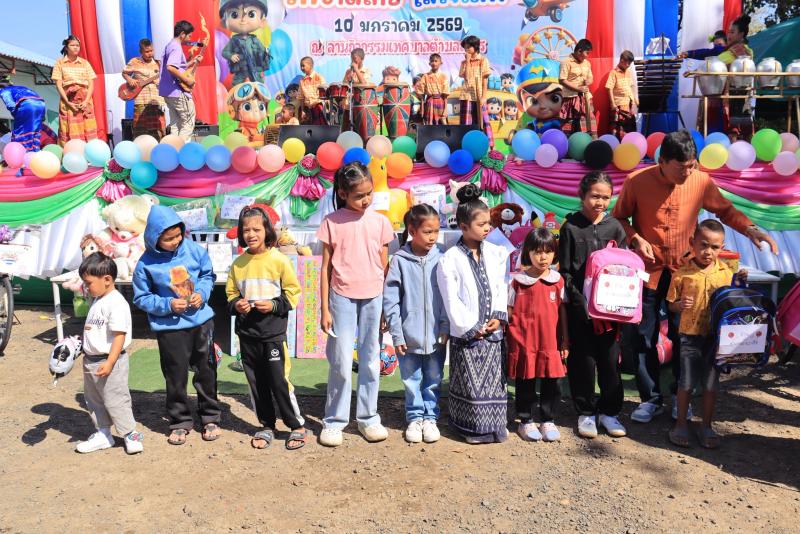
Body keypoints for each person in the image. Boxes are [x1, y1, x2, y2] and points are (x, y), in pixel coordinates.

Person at [612, 130, 777, 424]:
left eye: (691, 165)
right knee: (643, 336)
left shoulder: (700, 181)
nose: (688, 172)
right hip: (648, 272)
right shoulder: (636, 181)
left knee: (684, 337)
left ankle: (682, 398)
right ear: (662, 161)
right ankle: (650, 399)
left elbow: (725, 210)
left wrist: (751, 230)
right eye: (681, 167)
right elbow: (619, 217)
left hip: (686, 274)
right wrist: (635, 238)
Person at [317, 162, 395, 447]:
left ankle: (368, 417)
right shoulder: (331, 222)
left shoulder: (381, 222)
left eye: (369, 193)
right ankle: (334, 421)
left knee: (371, 359)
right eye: (359, 195)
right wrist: (325, 308)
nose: (366, 200)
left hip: (374, 297)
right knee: (340, 360)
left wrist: (387, 306)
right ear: (342, 194)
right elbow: (325, 269)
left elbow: (385, 267)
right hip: (341, 297)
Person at [132, 205, 221, 445]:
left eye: (178, 235)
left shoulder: (194, 250)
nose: (175, 241)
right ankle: (180, 421)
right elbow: (141, 297)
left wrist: (202, 293)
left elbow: (207, 275)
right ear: (154, 238)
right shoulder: (145, 264)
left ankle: (210, 416)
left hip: (201, 322)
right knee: (175, 375)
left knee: (206, 370)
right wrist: (168, 304)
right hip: (170, 328)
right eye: (168, 238)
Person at [226, 206, 309, 450]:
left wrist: (273, 305)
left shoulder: (279, 260)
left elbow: (293, 293)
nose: (251, 234)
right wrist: (237, 304)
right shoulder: (238, 264)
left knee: (279, 381)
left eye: (256, 229)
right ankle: (266, 425)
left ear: (267, 231)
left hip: (273, 334)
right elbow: (230, 294)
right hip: (247, 335)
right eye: (246, 230)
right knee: (256, 383)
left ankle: (296, 426)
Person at [437, 184, 509, 444]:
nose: (487, 228)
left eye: (488, 223)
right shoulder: (450, 258)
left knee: (494, 380)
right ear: (463, 226)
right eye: (481, 224)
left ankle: (496, 426)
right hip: (468, 334)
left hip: (492, 331)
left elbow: (501, 286)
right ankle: (470, 429)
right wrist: (470, 327)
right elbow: (450, 298)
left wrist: (498, 316)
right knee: (469, 381)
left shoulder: (496, 253)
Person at [559, 172, 628, 439]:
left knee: (610, 362)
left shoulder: (616, 228)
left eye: (606, 197)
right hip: (581, 311)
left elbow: (624, 268)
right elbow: (565, 270)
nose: (600, 202)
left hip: (610, 312)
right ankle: (586, 412)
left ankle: (610, 412)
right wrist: (579, 300)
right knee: (583, 362)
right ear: (583, 195)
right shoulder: (570, 227)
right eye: (595, 196)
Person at [666, 219, 746, 449]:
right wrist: (679, 305)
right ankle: (681, 424)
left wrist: (740, 284)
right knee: (686, 383)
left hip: (716, 338)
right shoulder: (682, 273)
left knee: (711, 384)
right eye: (703, 245)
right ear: (692, 243)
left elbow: (735, 300)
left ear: (722, 248)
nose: (708, 251)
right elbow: (671, 304)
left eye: (714, 247)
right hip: (689, 337)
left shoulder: (726, 273)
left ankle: (707, 426)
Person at [383, 205, 449, 444]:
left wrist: (445, 326)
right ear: (412, 231)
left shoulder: (442, 257)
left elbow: (448, 296)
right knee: (411, 380)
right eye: (427, 232)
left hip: (436, 334)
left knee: (433, 377)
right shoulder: (399, 260)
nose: (433, 237)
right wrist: (397, 334)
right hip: (407, 335)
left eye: (436, 231)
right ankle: (414, 417)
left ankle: (430, 417)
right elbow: (390, 299)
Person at [75, 252, 143, 455]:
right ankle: (103, 433)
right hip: (91, 361)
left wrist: (111, 362)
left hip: (110, 361)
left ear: (106, 279)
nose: (86, 287)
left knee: (116, 399)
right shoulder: (98, 299)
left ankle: (131, 434)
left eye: (88, 283)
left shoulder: (116, 303)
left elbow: (119, 335)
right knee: (94, 400)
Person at [506, 227, 568, 442]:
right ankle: (525, 420)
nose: (543, 257)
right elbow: (509, 310)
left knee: (552, 380)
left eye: (548, 252)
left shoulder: (558, 281)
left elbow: (563, 311)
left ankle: (548, 419)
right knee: (526, 380)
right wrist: (512, 337)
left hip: (551, 341)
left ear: (554, 253)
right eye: (538, 252)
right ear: (528, 253)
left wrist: (565, 340)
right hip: (525, 341)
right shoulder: (517, 282)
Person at [159, 20, 202, 141]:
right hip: (177, 91)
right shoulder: (176, 47)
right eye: (189, 36)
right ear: (182, 34)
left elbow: (177, 66)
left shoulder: (170, 45)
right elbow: (171, 67)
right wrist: (187, 81)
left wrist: (192, 62)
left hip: (168, 91)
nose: (189, 39)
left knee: (175, 124)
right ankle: (182, 149)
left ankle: (174, 149)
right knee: (188, 121)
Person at [52, 35, 97, 145]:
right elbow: (58, 85)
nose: (76, 47)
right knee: (68, 128)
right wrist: (68, 102)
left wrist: (86, 101)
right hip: (68, 101)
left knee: (87, 127)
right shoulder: (59, 63)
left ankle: (89, 152)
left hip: (85, 101)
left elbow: (91, 83)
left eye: (77, 45)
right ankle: (70, 151)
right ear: (66, 47)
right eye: (73, 45)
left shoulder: (85, 63)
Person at [0, 74, 57, 151]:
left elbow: (10, 105)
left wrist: (17, 117)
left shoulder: (4, 91)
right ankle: (35, 151)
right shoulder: (21, 87)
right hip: (40, 104)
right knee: (35, 132)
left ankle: (25, 152)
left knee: (21, 131)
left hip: (27, 105)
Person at [220, 0, 270, 86]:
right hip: (240, 70)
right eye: (234, 15)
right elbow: (224, 52)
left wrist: (265, 53)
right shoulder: (234, 41)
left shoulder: (255, 40)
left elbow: (262, 51)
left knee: (258, 85)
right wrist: (231, 56)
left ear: (262, 22)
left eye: (251, 14)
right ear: (224, 22)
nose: (243, 20)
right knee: (237, 86)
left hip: (255, 69)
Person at [122, 38, 165, 139]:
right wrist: (130, 79)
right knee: (140, 130)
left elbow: (165, 79)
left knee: (158, 130)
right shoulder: (134, 61)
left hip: (156, 100)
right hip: (141, 100)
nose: (150, 54)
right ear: (141, 51)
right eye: (147, 51)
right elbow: (124, 73)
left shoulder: (159, 63)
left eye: (151, 51)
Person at [559, 39, 595, 136]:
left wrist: (589, 81)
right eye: (587, 53)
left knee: (588, 124)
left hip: (585, 98)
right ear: (579, 51)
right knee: (569, 125)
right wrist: (577, 89)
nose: (587, 56)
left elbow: (591, 77)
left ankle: (588, 143)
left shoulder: (587, 63)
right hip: (570, 98)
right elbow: (562, 80)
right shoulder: (566, 62)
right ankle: (568, 144)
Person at [458, 35, 490, 126]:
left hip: (479, 95)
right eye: (465, 48)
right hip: (466, 95)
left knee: (482, 122)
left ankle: (483, 136)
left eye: (468, 47)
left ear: (475, 46)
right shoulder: (464, 63)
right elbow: (467, 78)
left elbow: (485, 80)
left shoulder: (483, 60)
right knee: (466, 123)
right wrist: (468, 61)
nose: (466, 50)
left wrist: (484, 97)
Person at [605, 50, 638, 139]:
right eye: (628, 63)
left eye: (630, 63)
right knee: (618, 129)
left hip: (628, 105)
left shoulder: (628, 72)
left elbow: (631, 87)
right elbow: (609, 88)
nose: (629, 65)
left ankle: (629, 145)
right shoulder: (613, 73)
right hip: (618, 106)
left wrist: (635, 101)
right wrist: (612, 103)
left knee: (629, 129)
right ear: (622, 60)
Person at [416, 53, 450, 125]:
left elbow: (445, 95)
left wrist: (445, 110)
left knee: (442, 124)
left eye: (436, 61)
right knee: (429, 124)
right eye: (432, 61)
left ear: (440, 63)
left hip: (440, 102)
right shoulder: (425, 76)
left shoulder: (443, 76)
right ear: (429, 63)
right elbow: (421, 93)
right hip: (430, 102)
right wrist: (422, 108)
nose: (434, 63)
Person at [297, 56, 327, 125]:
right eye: (301, 66)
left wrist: (326, 107)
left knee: (319, 127)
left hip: (318, 107)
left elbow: (325, 94)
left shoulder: (319, 77)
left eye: (303, 66)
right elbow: (301, 97)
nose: (302, 68)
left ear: (310, 65)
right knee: (309, 128)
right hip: (307, 109)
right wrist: (302, 110)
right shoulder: (302, 81)